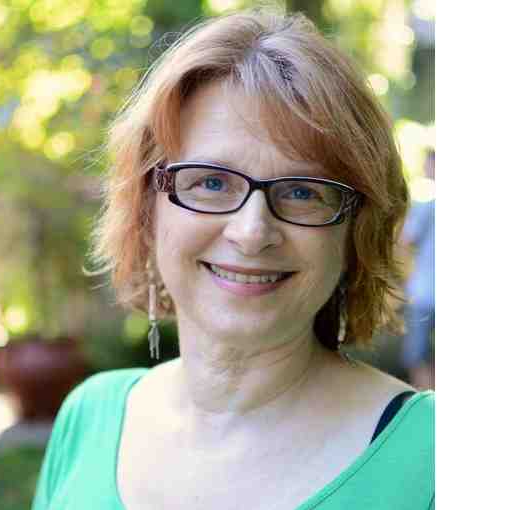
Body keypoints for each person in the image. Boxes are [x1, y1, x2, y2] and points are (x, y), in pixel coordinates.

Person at [32, 7, 434, 510]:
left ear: (357, 231)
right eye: (211, 182)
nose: (251, 232)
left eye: (303, 192)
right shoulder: (89, 418)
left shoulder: (437, 458)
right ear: (147, 207)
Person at [400, 151, 435, 389]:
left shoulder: (427, 207)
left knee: (417, 355)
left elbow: (406, 240)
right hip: (426, 290)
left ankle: (428, 403)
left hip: (424, 292)